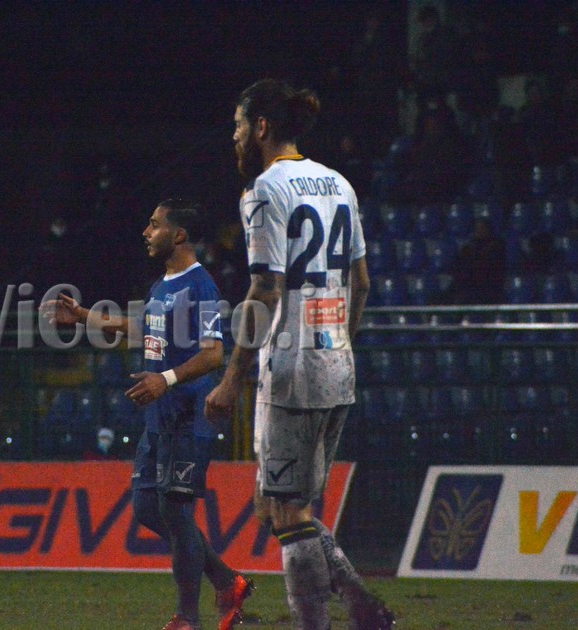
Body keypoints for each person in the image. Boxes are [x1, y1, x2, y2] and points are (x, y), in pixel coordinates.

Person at [205, 79, 395, 630]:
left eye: (239, 125)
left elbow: (265, 289)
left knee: (288, 513)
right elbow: (361, 282)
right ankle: (363, 608)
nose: (235, 136)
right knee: (278, 508)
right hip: (337, 365)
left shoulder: (265, 189)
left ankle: (330, 621)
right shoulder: (339, 184)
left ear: (261, 127)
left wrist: (231, 379)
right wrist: (341, 343)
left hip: (292, 372)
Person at [42, 199, 253, 630]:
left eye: (154, 225)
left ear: (178, 235)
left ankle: (188, 618)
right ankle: (226, 580)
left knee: (175, 512)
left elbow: (214, 354)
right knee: (146, 508)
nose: (146, 232)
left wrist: (166, 379)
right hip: (160, 417)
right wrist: (84, 316)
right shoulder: (161, 285)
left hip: (188, 416)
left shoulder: (201, 285)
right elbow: (141, 328)